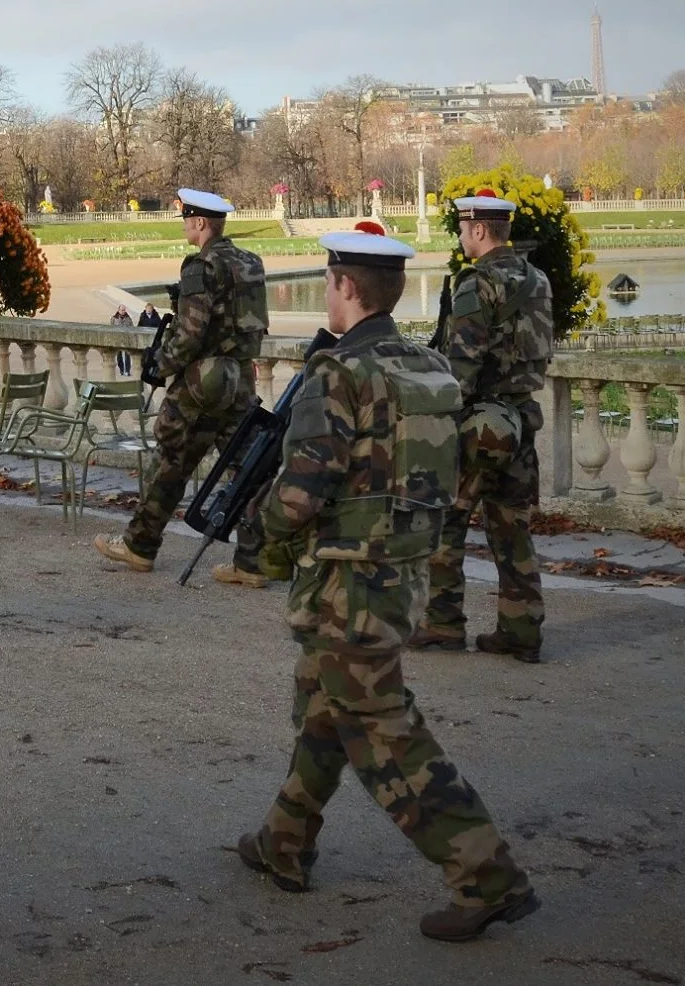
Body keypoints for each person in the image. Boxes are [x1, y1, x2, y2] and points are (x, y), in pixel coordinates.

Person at [232, 225, 537, 941]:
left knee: (385, 733)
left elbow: (300, 496)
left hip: (344, 585)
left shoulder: (337, 375)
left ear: (342, 285)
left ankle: (487, 875)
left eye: (330, 277)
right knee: (322, 706)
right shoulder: (428, 368)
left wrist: (258, 530)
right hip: (399, 574)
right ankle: (284, 842)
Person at [412, 190, 556, 662]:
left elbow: (463, 368)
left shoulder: (476, 284)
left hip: (479, 423)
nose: (459, 236)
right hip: (521, 421)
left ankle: (443, 622)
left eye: (461, 228)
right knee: (512, 528)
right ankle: (521, 631)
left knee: (446, 521)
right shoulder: (538, 280)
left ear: (478, 230)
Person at [94, 189, 267, 573]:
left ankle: (140, 545)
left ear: (201, 222)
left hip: (203, 381)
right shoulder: (250, 262)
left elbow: (190, 333)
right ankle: (253, 562)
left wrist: (162, 365)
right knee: (247, 465)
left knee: (169, 458)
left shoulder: (199, 267)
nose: (186, 225)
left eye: (188, 219)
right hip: (241, 376)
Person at [110, 305, 135, 375]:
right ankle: (121, 370)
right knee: (119, 355)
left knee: (127, 355)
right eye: (122, 310)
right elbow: (110, 329)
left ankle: (127, 370)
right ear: (118, 310)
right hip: (117, 339)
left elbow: (132, 328)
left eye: (124, 310)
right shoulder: (114, 318)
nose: (123, 311)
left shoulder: (128, 318)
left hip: (127, 339)